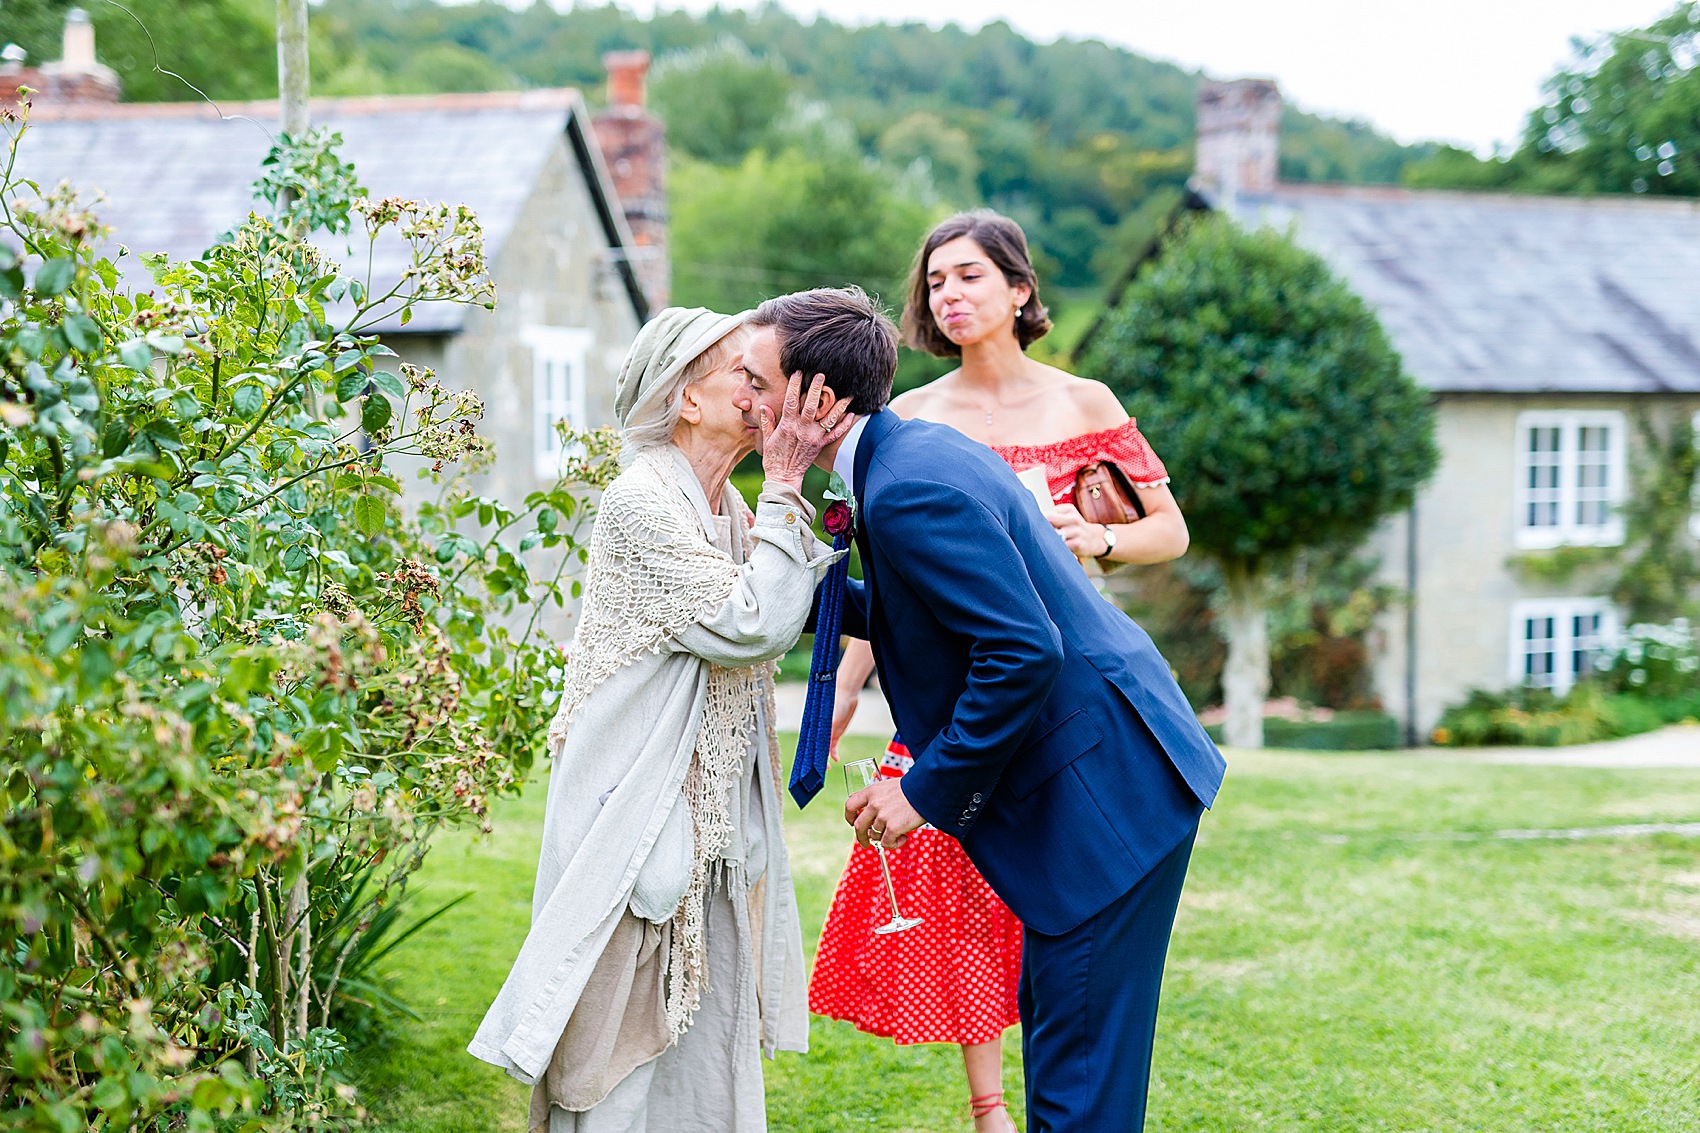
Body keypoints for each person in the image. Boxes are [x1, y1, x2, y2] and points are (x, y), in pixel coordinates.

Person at [736, 286, 1227, 1133]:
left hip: (1103, 793)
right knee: (1067, 1048)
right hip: (1106, 775)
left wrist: (921, 790)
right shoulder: (906, 456)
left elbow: (1021, 650)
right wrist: (782, 562)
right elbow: (915, 611)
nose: (744, 395)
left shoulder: (908, 487)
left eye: (756, 377)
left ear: (818, 398)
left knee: (1079, 1088)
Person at [468, 307, 853, 1133]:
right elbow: (752, 620)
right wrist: (788, 484)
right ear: (685, 398)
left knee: (699, 1041)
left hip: (700, 818)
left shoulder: (731, 512)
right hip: (631, 815)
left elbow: (792, 599)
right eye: (746, 378)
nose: (767, 397)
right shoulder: (642, 500)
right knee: (616, 1044)